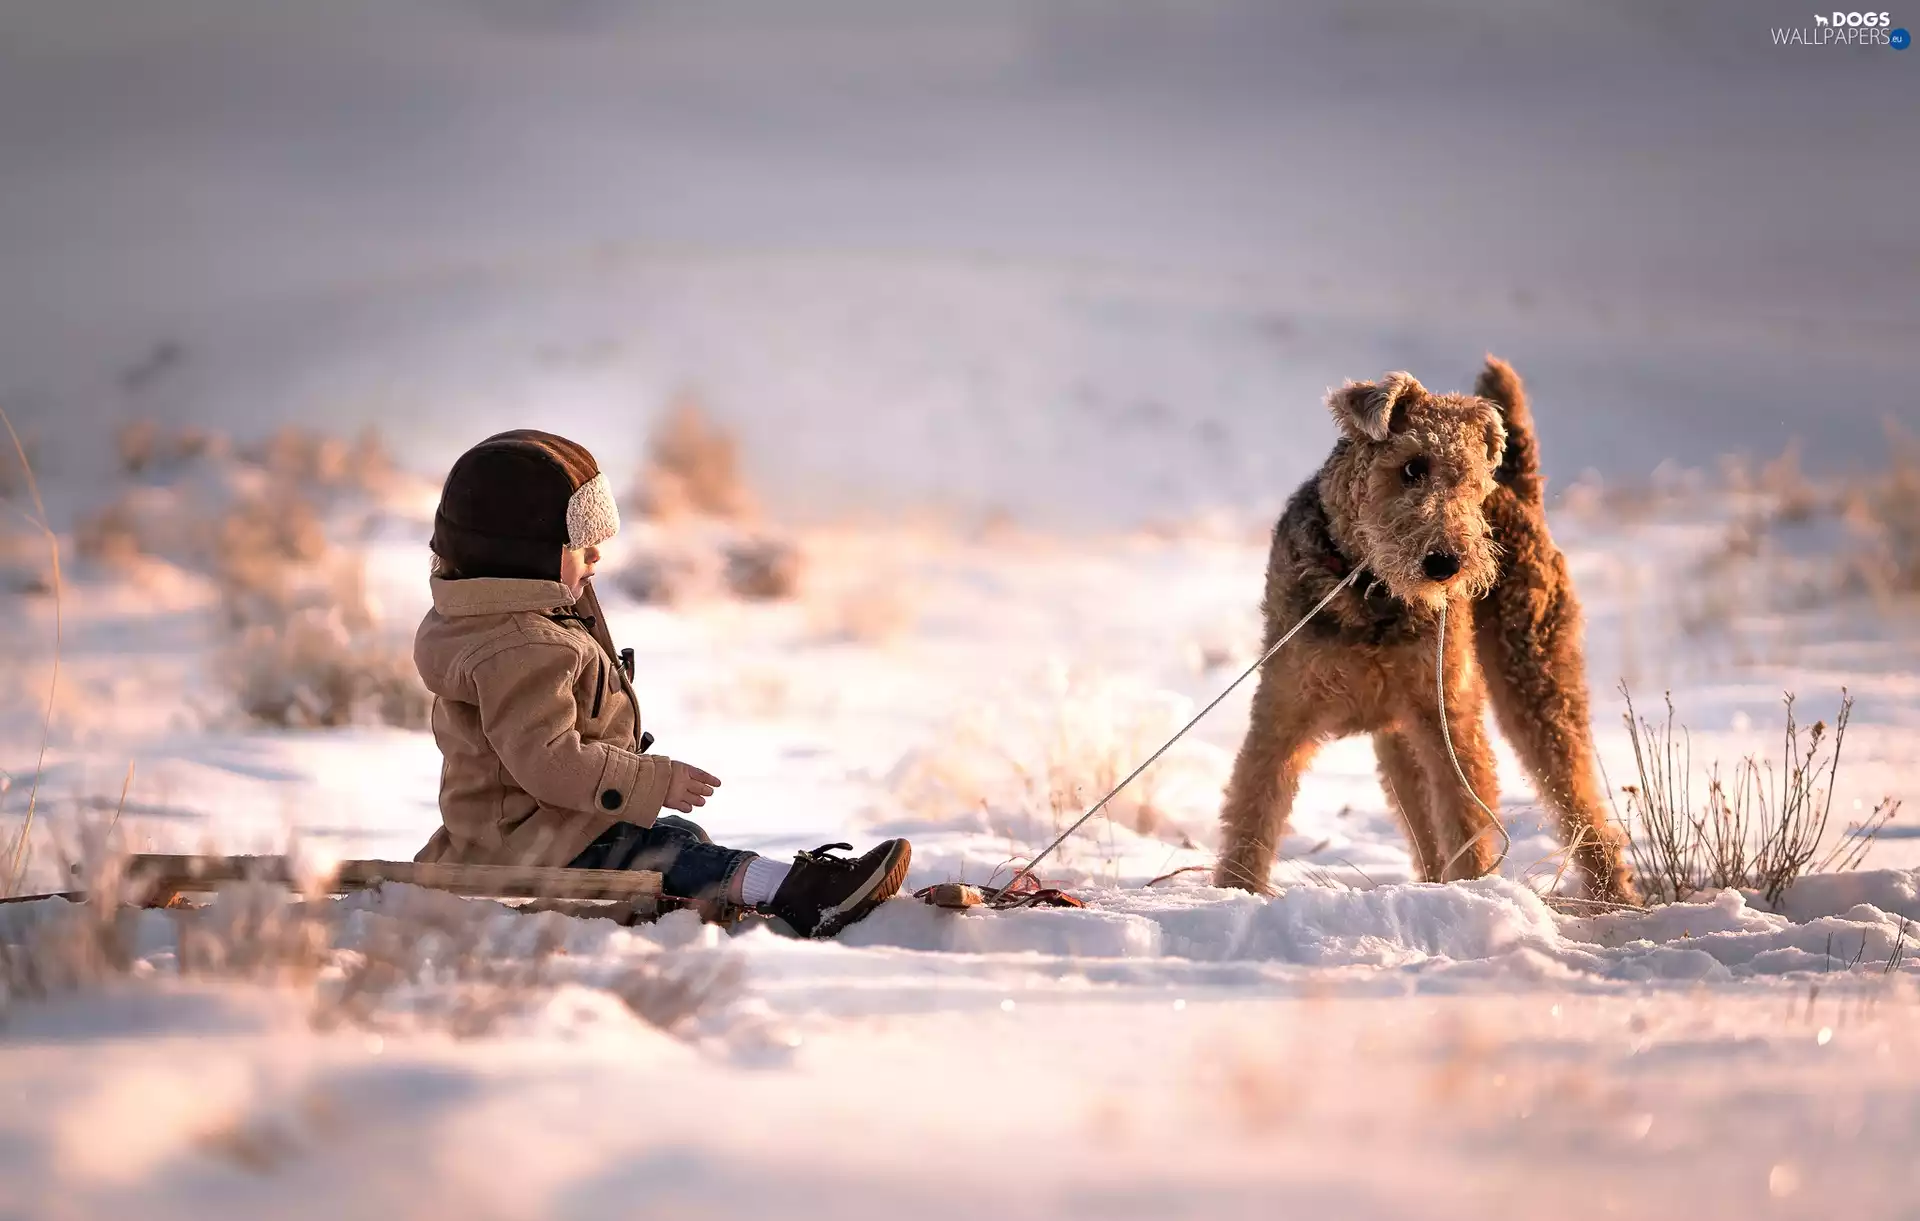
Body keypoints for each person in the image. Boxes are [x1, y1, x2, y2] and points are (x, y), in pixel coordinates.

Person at [411, 428, 911, 937]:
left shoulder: (510, 623)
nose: (596, 558)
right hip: (527, 844)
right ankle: (804, 894)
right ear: (525, 556)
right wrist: (651, 780)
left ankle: (699, 899)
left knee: (677, 836)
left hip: (536, 828)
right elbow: (548, 761)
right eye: (580, 546)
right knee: (666, 850)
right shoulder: (520, 647)